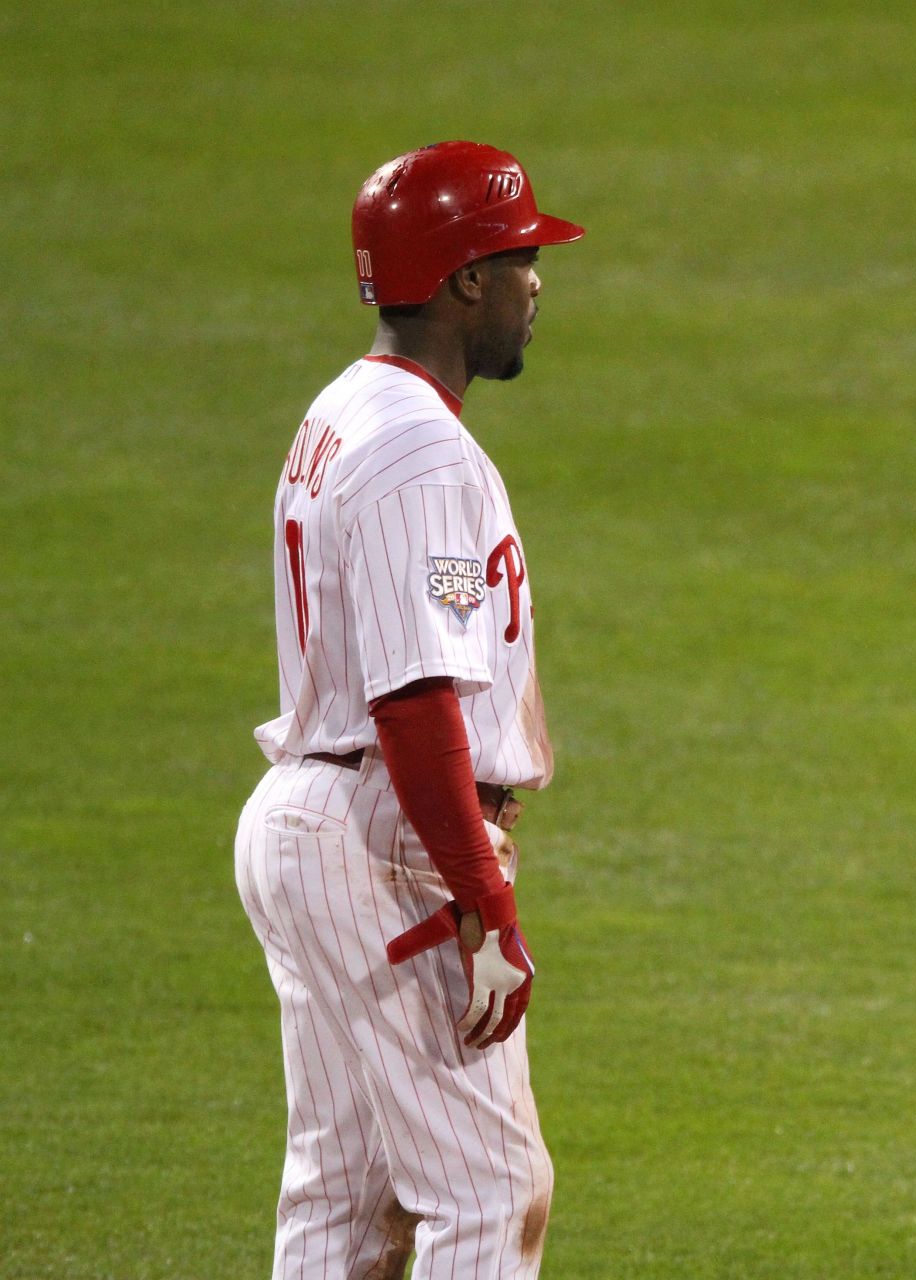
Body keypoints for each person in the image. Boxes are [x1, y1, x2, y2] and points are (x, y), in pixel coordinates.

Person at [234, 140, 583, 1278]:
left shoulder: (347, 405)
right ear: (464, 278)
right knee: (488, 1189)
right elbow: (417, 696)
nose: (538, 283)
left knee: (345, 1196)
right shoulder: (421, 450)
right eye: (521, 257)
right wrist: (484, 901)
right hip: (383, 837)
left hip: (316, 821)